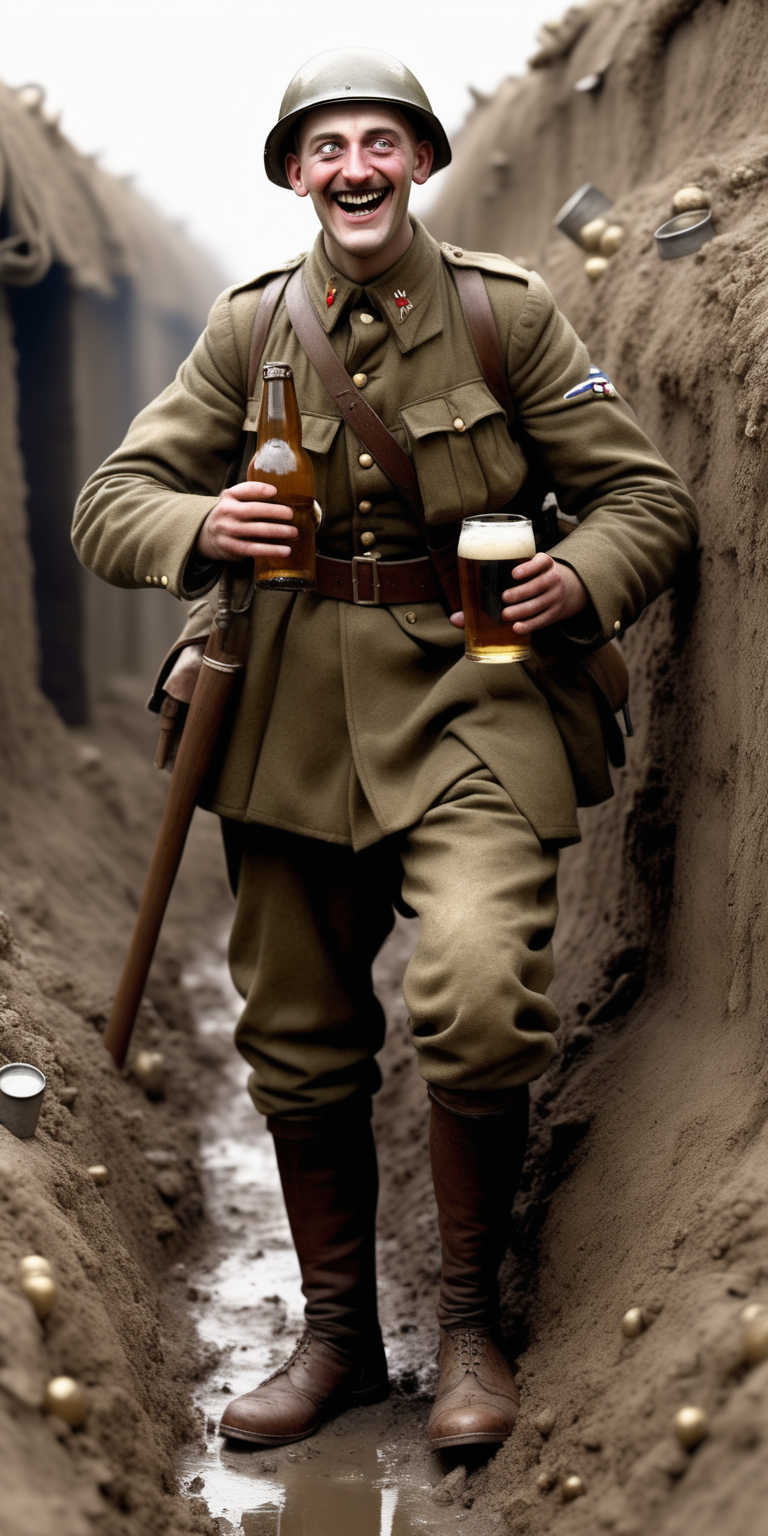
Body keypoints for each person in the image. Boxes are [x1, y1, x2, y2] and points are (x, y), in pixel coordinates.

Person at [73, 48, 697, 1453]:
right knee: (297, 1040)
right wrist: (201, 527)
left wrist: (579, 577)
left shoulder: (504, 316)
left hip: (476, 700)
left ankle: (471, 1324)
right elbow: (109, 503)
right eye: (325, 147)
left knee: (476, 989)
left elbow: (645, 500)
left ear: (420, 161)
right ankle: (342, 1341)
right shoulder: (245, 333)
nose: (353, 168)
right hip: (288, 718)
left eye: (380, 143)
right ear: (294, 174)